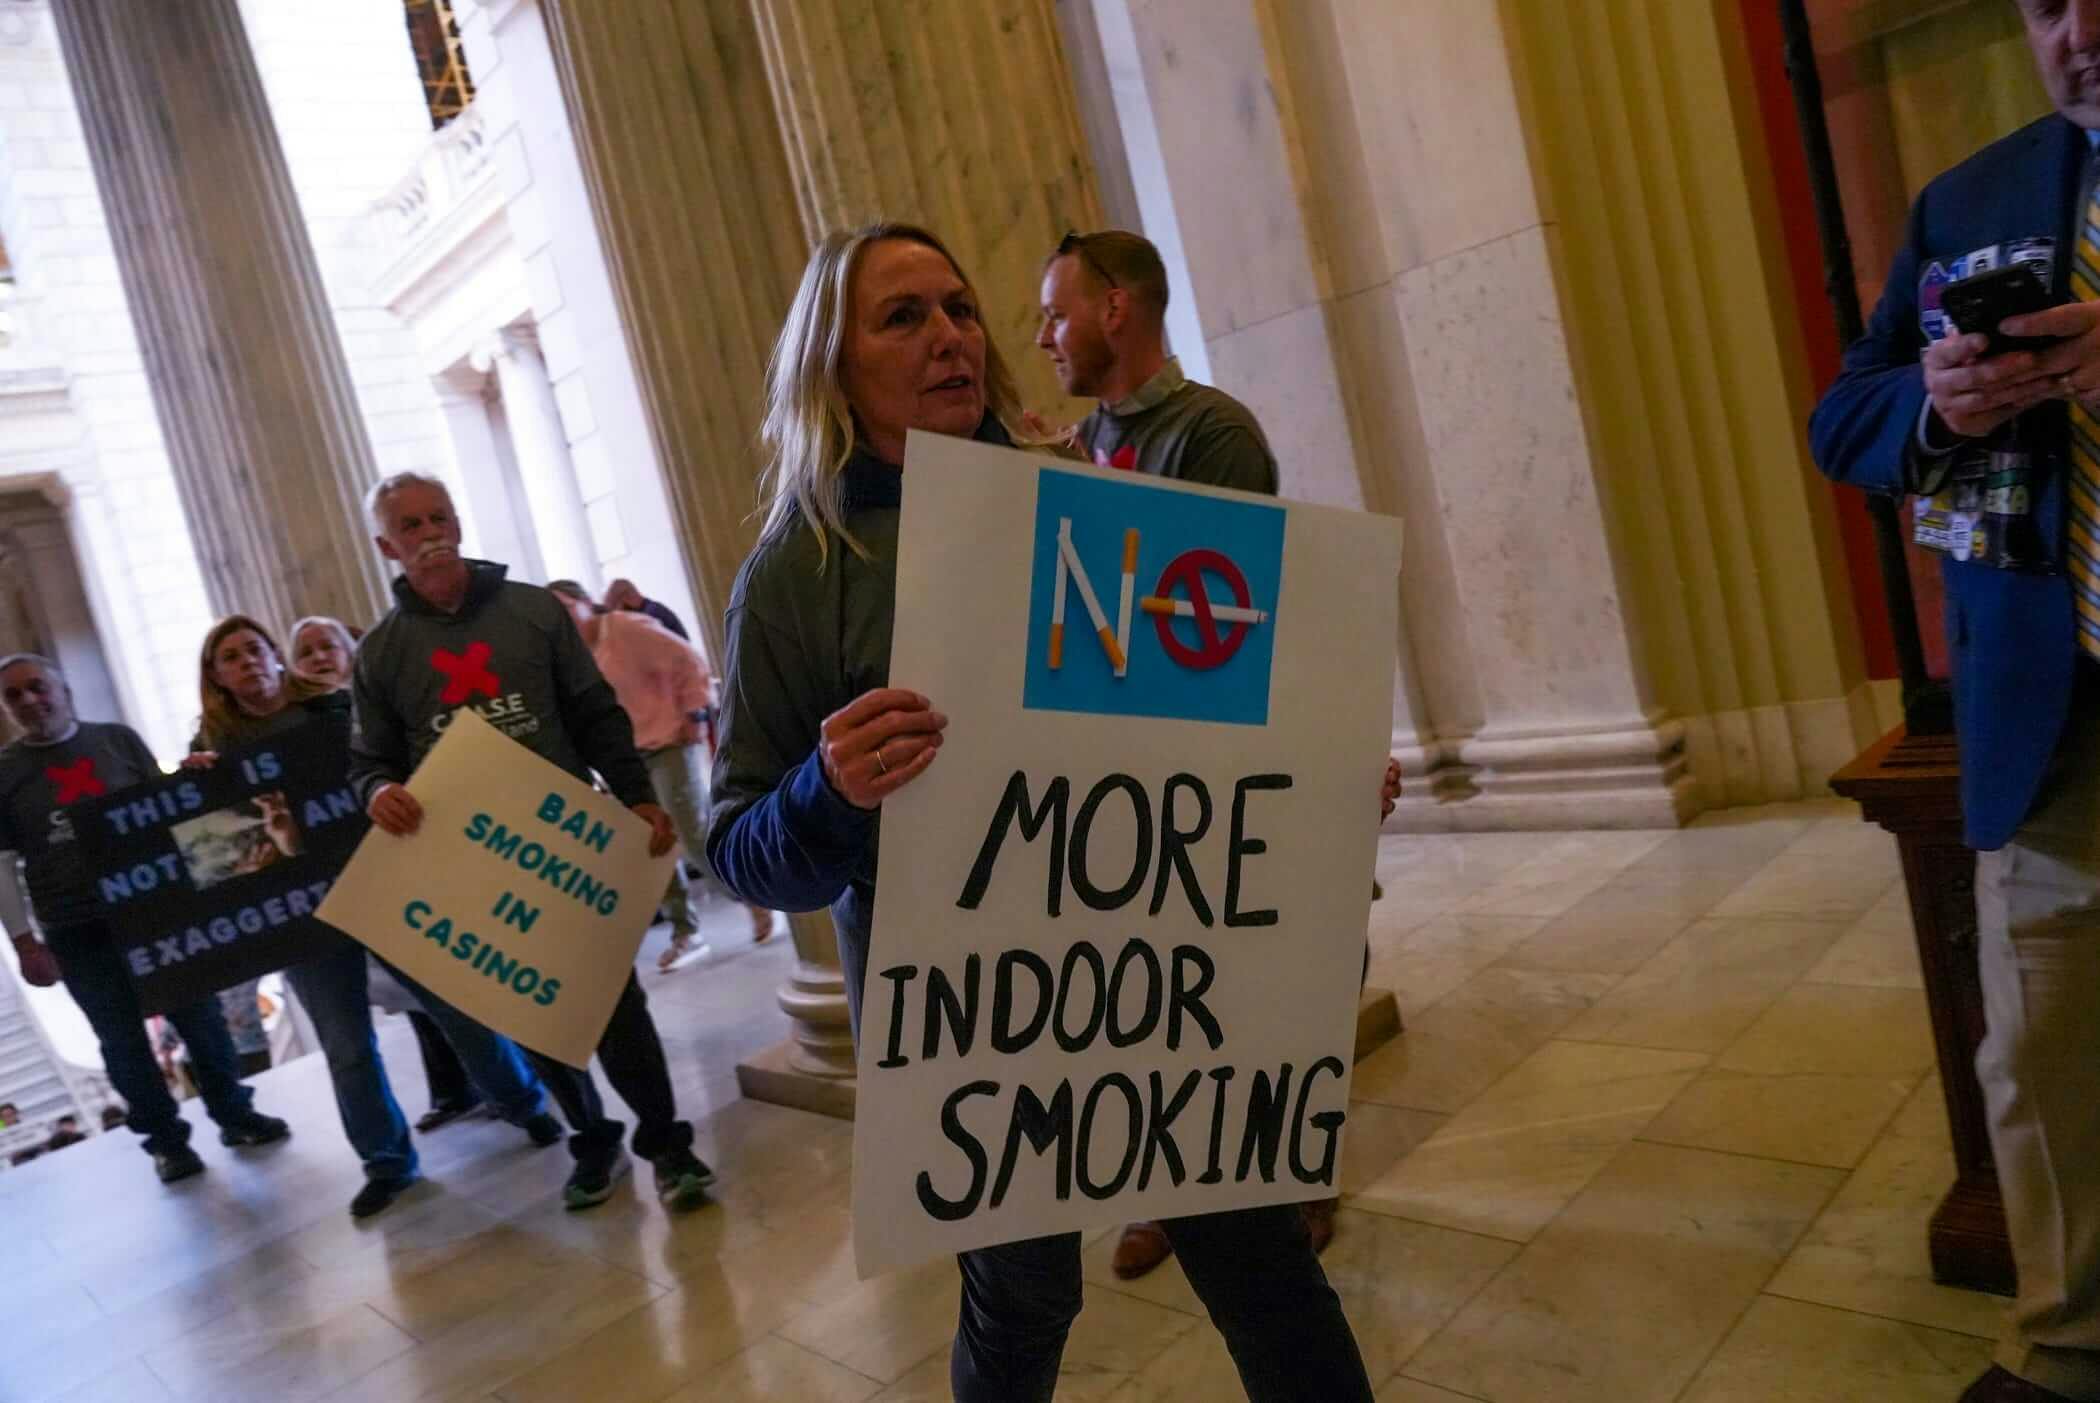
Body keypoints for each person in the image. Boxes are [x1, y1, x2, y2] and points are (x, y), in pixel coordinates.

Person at [705, 221, 1373, 1403]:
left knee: (1262, 1261)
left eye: (959, 307)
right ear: (833, 363)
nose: (949, 335)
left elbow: (1205, 714)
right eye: (903, 316)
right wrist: (826, 789)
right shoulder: (798, 571)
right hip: (977, 1017)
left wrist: (1314, 770)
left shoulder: (1081, 498)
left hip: (1156, 965)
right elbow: (742, 850)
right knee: (1023, 1300)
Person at [1809, 5, 2100, 1399]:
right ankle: (2064, 1345)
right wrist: (1939, 406)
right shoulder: (1966, 199)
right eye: (2045, 3)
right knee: (2041, 1055)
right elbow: (1842, 414)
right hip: (2053, 721)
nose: (2079, 29)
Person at [1036, 227, 1390, 1273]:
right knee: (1151, 990)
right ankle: (1171, 1191)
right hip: (1127, 769)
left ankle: (1293, 1179)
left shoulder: (1213, 431)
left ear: (1115, 309)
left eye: (1056, 313)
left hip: (1226, 758)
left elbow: (1225, 616)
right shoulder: (1081, 442)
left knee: (1269, 986)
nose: (1044, 337)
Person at [348, 471, 717, 1212]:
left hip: (564, 845)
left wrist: (639, 797)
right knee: (533, 1010)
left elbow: (594, 715)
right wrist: (379, 792)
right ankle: (592, 1140)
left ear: (458, 521)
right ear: (387, 546)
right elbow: (370, 761)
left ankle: (668, 1144)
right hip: (476, 861)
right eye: (411, 525)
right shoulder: (381, 653)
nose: (431, 533)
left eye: (439, 516)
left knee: (615, 1000)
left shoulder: (532, 612)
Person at [191, 615, 563, 1217]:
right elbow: (216, 846)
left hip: (384, 878)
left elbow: (394, 762)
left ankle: (524, 1104)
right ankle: (386, 1162)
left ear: (275, 655)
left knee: (454, 1003)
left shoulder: (335, 708)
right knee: (345, 1042)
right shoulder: (212, 748)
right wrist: (195, 789)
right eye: (230, 657)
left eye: (254, 648)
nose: (247, 662)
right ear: (216, 676)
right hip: (302, 914)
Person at [0, 652, 290, 1184]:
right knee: (122, 1042)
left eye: (37, 686)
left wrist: (195, 780)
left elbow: (163, 809)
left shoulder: (116, 741)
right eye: (13, 695)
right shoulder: (5, 774)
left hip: (153, 910)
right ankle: (167, 1145)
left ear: (63, 689)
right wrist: (23, 941)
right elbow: (1, 862)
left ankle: (235, 1115)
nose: (29, 700)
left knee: (201, 1018)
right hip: (75, 928)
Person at [290, 615, 481, 1133]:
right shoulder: (294, 728)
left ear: (350, 652)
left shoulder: (380, 701)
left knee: (455, 979)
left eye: (328, 646)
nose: (319, 658)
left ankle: (509, 1078)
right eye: (305, 652)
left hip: (413, 847)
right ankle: (452, 1089)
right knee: (409, 996)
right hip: (355, 867)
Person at [547, 580, 774, 967]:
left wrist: (695, 714)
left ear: (586, 603)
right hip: (627, 757)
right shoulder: (570, 656)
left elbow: (688, 660)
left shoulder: (626, 628)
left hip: (671, 739)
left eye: (566, 608)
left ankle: (752, 895)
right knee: (648, 843)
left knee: (690, 829)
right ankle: (686, 931)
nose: (564, 620)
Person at [602, 578, 690, 642]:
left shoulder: (651, 615)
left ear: (625, 597)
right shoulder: (652, 609)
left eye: (616, 608)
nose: (620, 616)